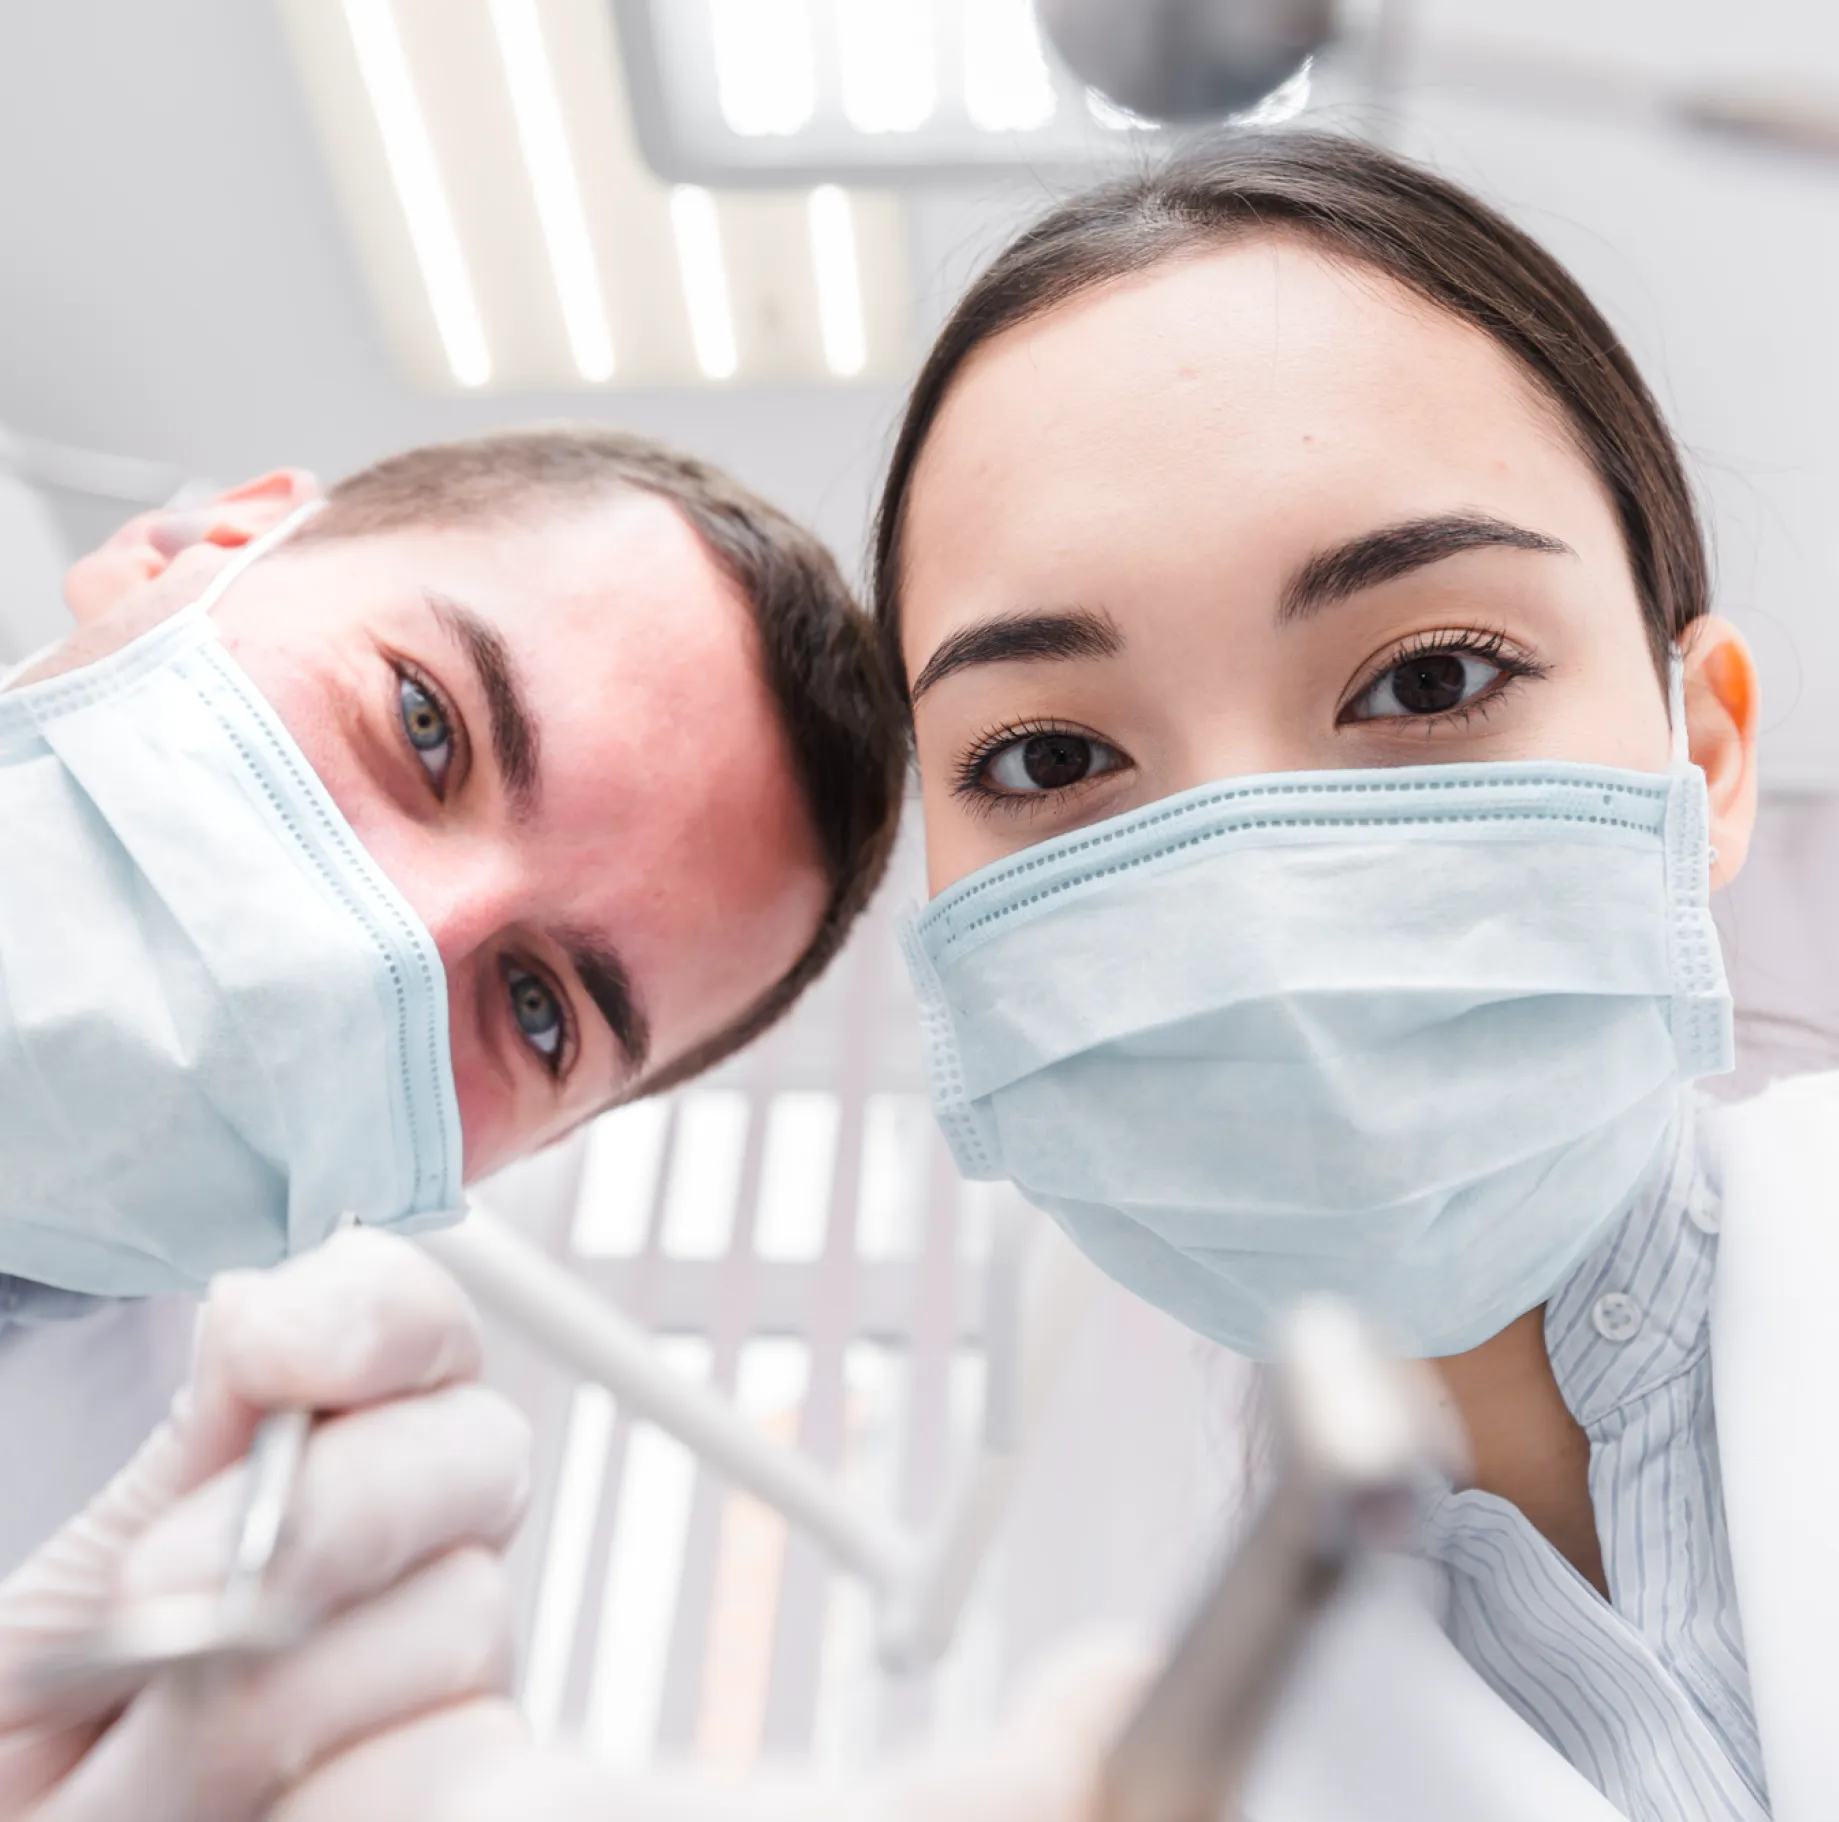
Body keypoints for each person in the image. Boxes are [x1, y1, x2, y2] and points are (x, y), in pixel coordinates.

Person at [354, 131, 1825, 1820]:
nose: (1252, 906)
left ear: (1704, 757)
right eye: (1048, 758)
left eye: (1427, 675)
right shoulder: (1183, 1756)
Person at [0, 427, 904, 1815]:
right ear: (194, 547)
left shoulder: (150, 1576)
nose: (391, 952)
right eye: (426, 725)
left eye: (538, 1012)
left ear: (528, 1152)